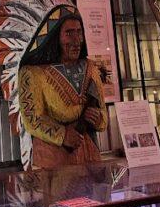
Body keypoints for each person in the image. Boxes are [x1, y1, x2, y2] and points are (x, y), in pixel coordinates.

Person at [17, 11, 108, 170]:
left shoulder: (90, 68)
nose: (76, 40)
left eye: (79, 32)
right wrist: (62, 135)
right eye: (69, 33)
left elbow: (103, 115)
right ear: (54, 37)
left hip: (89, 154)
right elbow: (32, 119)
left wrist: (98, 118)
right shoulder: (33, 74)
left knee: (94, 195)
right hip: (53, 157)